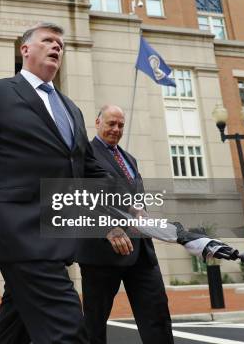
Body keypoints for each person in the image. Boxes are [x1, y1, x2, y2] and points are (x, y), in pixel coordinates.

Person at [0, 22, 109, 344]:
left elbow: (87, 169)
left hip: (55, 233)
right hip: (18, 231)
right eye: (48, 40)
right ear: (25, 49)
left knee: (13, 332)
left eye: (60, 43)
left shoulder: (71, 109)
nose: (56, 46)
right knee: (68, 330)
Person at [76, 105, 173, 344]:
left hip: (141, 252)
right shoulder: (83, 154)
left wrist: (146, 218)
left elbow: (135, 201)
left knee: (157, 314)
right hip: (103, 251)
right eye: (111, 123)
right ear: (97, 122)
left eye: (120, 125)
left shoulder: (130, 159)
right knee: (94, 324)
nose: (116, 129)